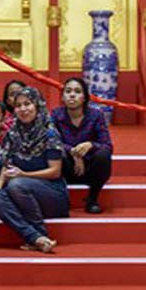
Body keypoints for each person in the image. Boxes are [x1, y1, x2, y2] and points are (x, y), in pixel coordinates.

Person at [0, 87, 70, 254]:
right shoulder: (13, 133)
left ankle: (40, 232)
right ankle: (36, 238)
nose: (23, 109)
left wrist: (23, 175)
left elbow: (55, 171)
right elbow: (6, 164)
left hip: (52, 195)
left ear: (37, 105)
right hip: (22, 194)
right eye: (18, 105)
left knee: (17, 185)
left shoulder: (49, 133)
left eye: (27, 104)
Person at [51, 77, 114, 213]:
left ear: (85, 97)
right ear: (62, 97)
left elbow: (108, 145)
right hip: (66, 167)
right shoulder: (56, 115)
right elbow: (52, 142)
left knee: (103, 155)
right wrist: (73, 152)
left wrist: (91, 145)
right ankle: (60, 200)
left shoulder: (96, 115)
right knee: (55, 152)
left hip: (90, 168)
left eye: (77, 91)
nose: (72, 95)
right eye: (68, 91)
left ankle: (92, 199)